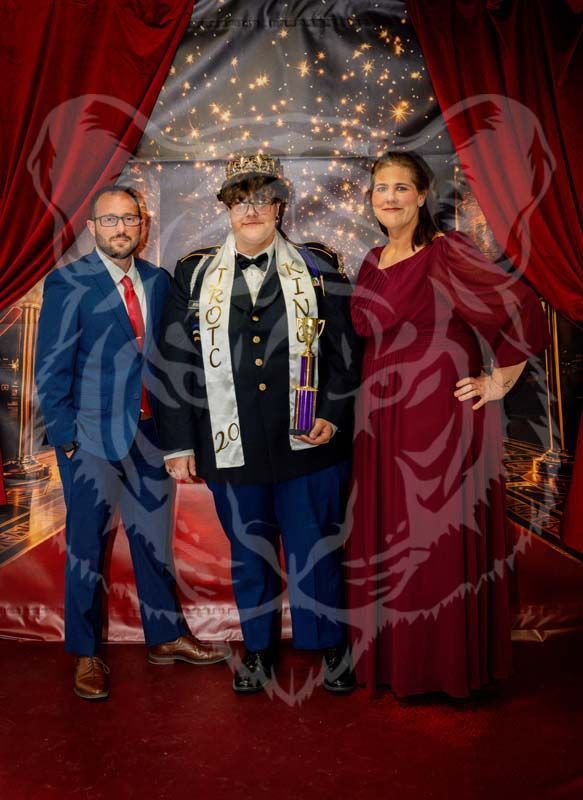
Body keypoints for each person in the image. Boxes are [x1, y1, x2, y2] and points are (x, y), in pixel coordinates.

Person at [347, 151, 549, 698]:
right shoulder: (370, 259)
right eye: (380, 187)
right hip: (380, 419)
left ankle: (445, 665)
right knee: (392, 534)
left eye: (400, 188)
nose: (388, 197)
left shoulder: (446, 251)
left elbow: (521, 305)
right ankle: (394, 661)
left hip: (439, 416)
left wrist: (497, 382)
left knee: (433, 540)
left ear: (421, 195)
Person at [158, 154, 361, 694]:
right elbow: (175, 361)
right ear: (225, 207)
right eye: (238, 199)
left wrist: (333, 416)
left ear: (279, 205)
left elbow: (344, 348)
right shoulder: (194, 271)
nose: (250, 209)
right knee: (250, 554)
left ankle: (330, 644)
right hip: (232, 443)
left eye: (261, 198)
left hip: (308, 438)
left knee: (315, 547)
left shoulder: (319, 264)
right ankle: (259, 650)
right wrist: (178, 442)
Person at [35, 185, 228, 701]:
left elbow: (169, 359)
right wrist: (68, 440)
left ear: (141, 226)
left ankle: (164, 637)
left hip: (150, 439)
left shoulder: (158, 281)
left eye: (129, 220)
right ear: (93, 227)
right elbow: (51, 371)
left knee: (153, 544)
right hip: (91, 441)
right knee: (85, 551)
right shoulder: (67, 282)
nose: (121, 229)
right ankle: (85, 652)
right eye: (110, 221)